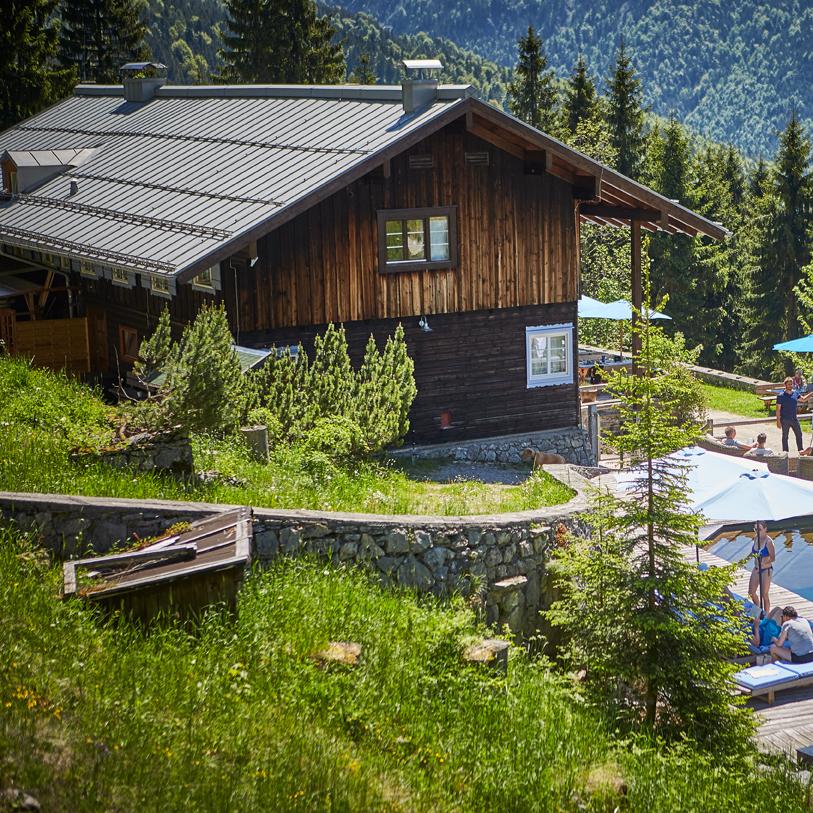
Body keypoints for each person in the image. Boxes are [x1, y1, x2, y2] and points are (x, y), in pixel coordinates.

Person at [776, 377, 813, 452]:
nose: (790, 385)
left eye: (791, 384)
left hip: (794, 419)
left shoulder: (795, 393)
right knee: (785, 436)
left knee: (799, 435)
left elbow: (803, 399)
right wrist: (778, 421)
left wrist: (812, 393)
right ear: (785, 385)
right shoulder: (781, 396)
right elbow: (778, 410)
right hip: (785, 419)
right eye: (789, 384)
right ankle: (785, 452)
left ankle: (801, 451)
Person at [748, 521, 775, 612]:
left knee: (764, 594)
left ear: (765, 529)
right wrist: (746, 559)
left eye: (759, 529)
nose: (757, 531)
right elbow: (753, 552)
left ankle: (767, 615)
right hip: (756, 568)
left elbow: (773, 558)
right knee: (751, 593)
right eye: (755, 529)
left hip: (766, 570)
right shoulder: (756, 538)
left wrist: (764, 564)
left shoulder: (769, 542)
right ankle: (758, 609)